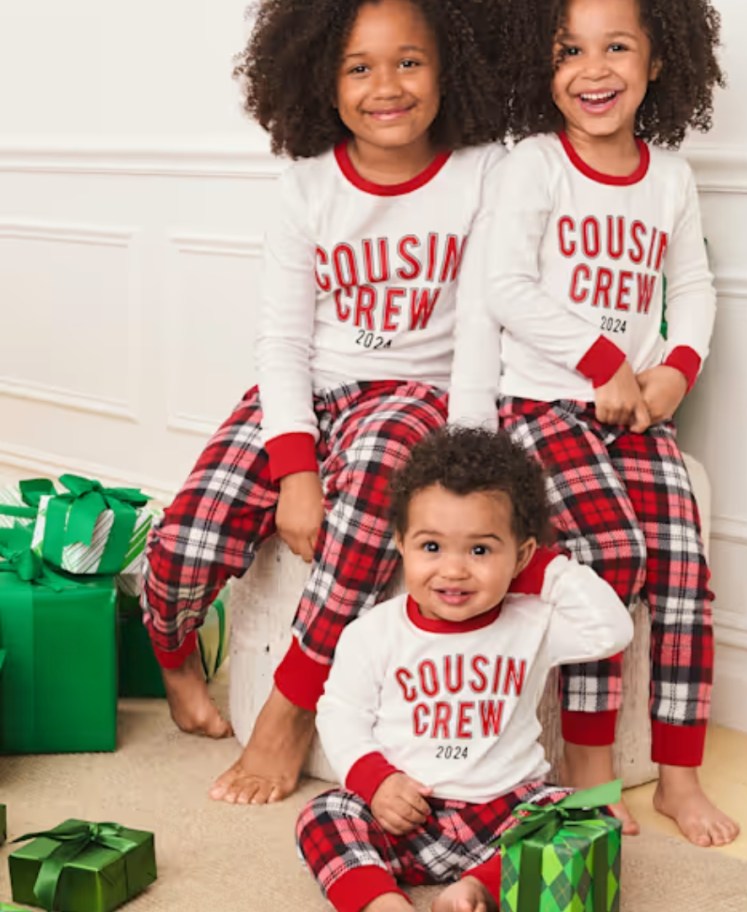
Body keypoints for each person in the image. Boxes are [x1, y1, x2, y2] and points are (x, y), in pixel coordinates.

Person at [140, 0, 511, 804]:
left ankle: (288, 710)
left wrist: (474, 464)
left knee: (370, 500)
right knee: (187, 535)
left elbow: (482, 330)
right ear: (321, 79)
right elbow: (280, 345)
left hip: (417, 396)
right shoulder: (305, 189)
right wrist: (296, 469)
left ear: (449, 68)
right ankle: (171, 659)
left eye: (410, 61)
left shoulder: (484, 175)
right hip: (312, 389)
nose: (388, 85)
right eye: (359, 66)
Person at [459, 0, 740, 847]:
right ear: (539, 68)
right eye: (568, 51)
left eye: (617, 47)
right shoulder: (534, 165)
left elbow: (691, 287)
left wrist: (672, 371)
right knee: (610, 555)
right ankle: (589, 775)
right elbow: (507, 286)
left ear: (659, 62)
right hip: (545, 403)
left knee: (684, 567)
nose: (594, 69)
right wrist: (602, 362)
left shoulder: (670, 177)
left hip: (636, 411)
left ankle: (678, 777)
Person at [297, 427, 634, 912]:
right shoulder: (373, 633)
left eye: (480, 550)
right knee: (323, 814)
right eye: (431, 547)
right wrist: (377, 782)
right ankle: (381, 903)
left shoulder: (532, 623)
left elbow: (610, 629)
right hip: (409, 816)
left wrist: (544, 568)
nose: (453, 570)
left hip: (506, 812)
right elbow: (340, 714)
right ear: (401, 544)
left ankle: (475, 887)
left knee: (588, 808)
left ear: (519, 555)